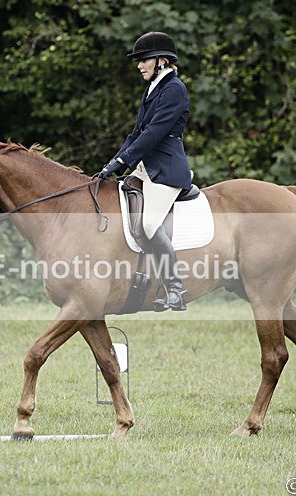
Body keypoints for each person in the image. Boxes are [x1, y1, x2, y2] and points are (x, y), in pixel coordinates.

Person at [100, 31, 192, 312]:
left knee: (150, 224)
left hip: (165, 169)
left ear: (162, 60)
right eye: (138, 61)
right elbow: (136, 133)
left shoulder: (175, 89)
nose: (140, 65)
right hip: (144, 168)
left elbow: (154, 134)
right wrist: (112, 163)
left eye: (144, 60)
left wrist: (123, 161)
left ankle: (175, 288)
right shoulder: (153, 89)